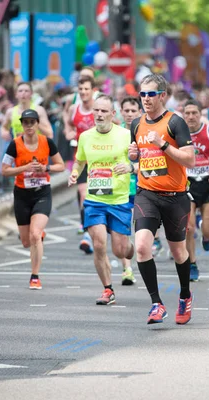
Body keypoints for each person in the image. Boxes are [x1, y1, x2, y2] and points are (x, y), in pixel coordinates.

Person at [128, 74, 195, 325]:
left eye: (150, 94)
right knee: (143, 247)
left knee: (178, 251)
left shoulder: (175, 123)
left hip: (175, 197)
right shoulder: (135, 124)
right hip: (147, 194)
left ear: (162, 95)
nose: (145, 99)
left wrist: (164, 145)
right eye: (142, 94)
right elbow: (139, 156)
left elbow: (190, 159)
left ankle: (185, 296)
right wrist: (133, 155)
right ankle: (156, 303)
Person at [69, 96, 135, 304]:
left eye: (104, 111)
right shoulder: (86, 137)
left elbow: (143, 160)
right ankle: (108, 289)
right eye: (96, 110)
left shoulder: (126, 135)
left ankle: (131, 248)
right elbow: (80, 161)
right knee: (99, 244)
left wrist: (131, 166)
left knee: (119, 250)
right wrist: (74, 173)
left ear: (113, 114)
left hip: (119, 199)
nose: (99, 115)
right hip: (94, 199)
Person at [2, 109, 65, 289]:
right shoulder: (14, 145)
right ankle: (37, 236)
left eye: (32, 122)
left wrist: (45, 168)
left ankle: (35, 276)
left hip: (41, 192)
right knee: (26, 241)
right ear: (21, 125)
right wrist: (25, 168)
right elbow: (4, 170)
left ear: (38, 124)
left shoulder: (47, 142)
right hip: (21, 194)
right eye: (25, 122)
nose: (29, 126)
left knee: (35, 235)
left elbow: (60, 165)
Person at [183, 99, 209, 282]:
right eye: (187, 113)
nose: (191, 117)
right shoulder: (178, 133)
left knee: (208, 230)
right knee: (188, 228)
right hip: (187, 182)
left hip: (208, 182)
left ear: (200, 114)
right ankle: (192, 263)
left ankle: (206, 237)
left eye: (194, 113)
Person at [64, 76, 96, 249]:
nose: (83, 92)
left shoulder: (99, 110)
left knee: (96, 196)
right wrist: (69, 133)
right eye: (81, 89)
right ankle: (86, 232)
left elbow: (113, 124)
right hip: (81, 158)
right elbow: (68, 125)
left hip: (99, 159)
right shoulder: (74, 109)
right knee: (83, 194)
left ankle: (97, 229)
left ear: (93, 91)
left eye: (86, 89)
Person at [118, 96, 142, 285]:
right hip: (122, 189)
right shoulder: (115, 134)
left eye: (133, 111)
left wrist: (133, 168)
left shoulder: (144, 134)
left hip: (143, 188)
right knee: (124, 231)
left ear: (139, 113)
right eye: (126, 110)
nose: (129, 114)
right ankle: (127, 269)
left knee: (141, 231)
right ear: (121, 112)